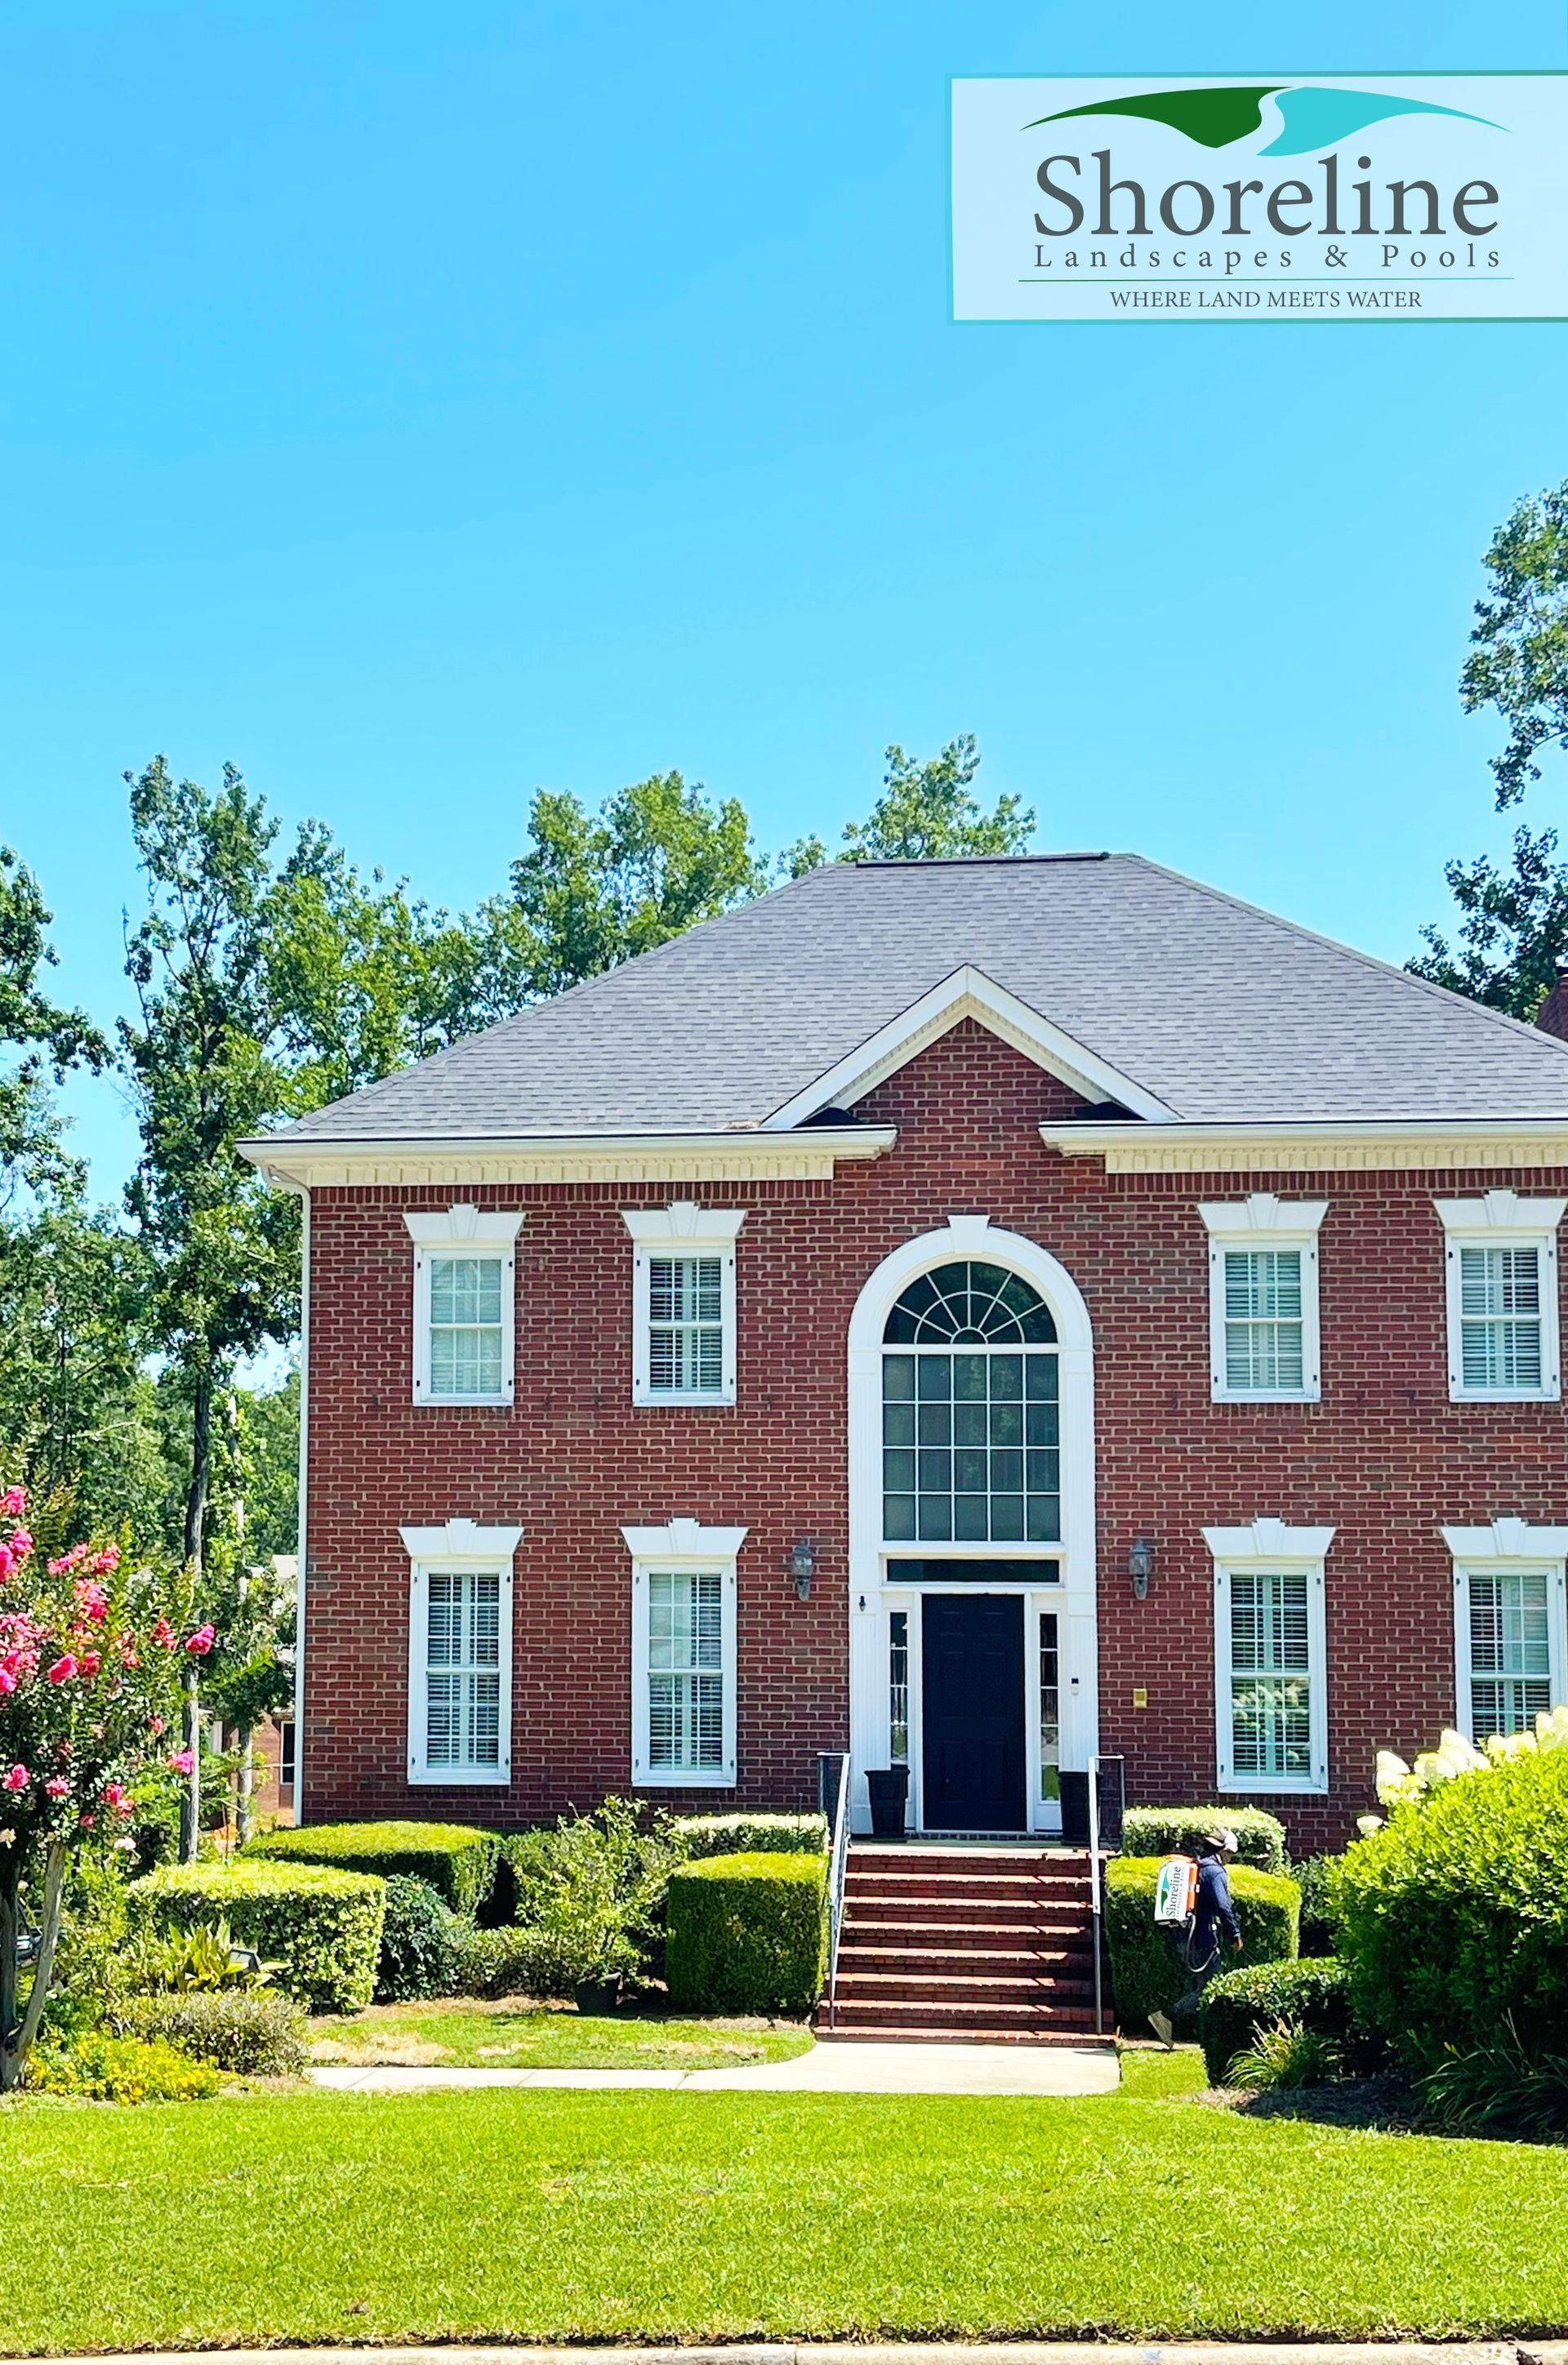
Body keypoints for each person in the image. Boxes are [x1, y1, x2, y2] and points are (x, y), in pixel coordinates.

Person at [1149, 1828, 1243, 2049]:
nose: (1230, 1858)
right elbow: (1223, 1906)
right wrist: (1235, 1934)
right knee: (1212, 1987)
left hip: (1185, 1934)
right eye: (1230, 1854)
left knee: (1203, 1986)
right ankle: (1166, 2016)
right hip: (1204, 1938)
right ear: (1223, 1851)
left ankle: (1200, 2034)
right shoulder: (1216, 1872)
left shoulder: (1197, 1866)